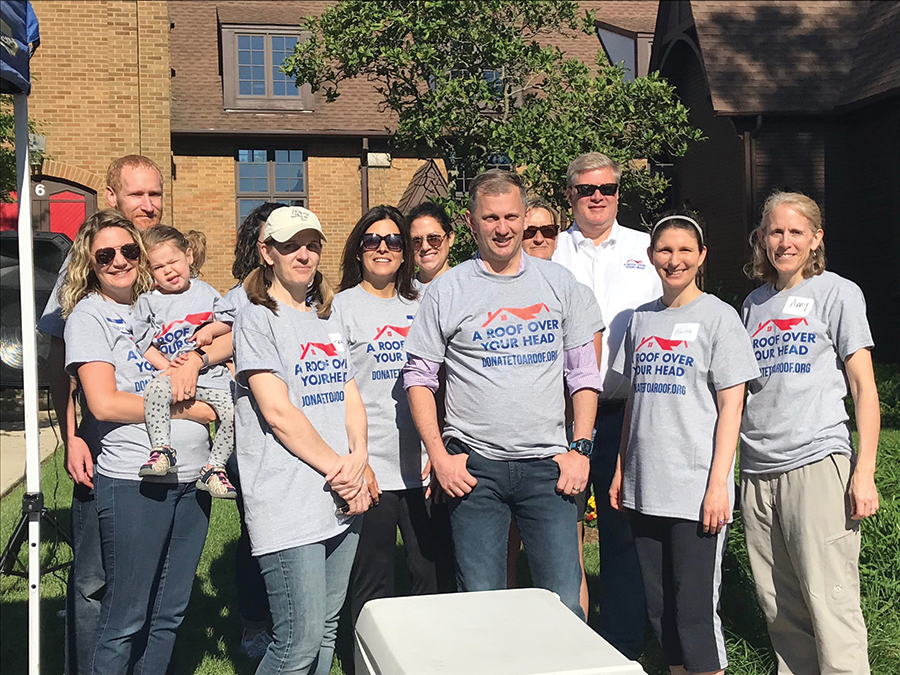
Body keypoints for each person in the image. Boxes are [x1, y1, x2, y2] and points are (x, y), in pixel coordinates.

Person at [403, 169, 603, 618]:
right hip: (474, 469)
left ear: (523, 216)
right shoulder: (447, 290)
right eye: (490, 218)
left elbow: (583, 374)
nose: (503, 228)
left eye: (511, 216)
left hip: (547, 467)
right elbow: (419, 377)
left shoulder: (559, 284)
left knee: (565, 602)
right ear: (471, 223)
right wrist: (438, 455)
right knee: (482, 602)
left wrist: (581, 449)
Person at [60, 210, 217, 673]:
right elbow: (105, 403)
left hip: (193, 475)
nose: (119, 261)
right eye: (104, 254)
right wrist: (194, 409)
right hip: (134, 477)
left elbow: (224, 335)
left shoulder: (158, 303)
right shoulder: (91, 315)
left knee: (169, 614)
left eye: (129, 250)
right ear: (90, 264)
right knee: (125, 615)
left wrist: (200, 357)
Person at [609, 213, 758, 675]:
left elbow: (732, 407)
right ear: (651, 256)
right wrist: (620, 469)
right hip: (644, 487)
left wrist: (719, 485)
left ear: (702, 256)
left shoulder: (720, 318)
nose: (674, 261)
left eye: (685, 251)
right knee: (661, 613)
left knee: (693, 615)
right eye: (665, 251)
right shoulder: (640, 321)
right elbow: (635, 399)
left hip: (695, 491)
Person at [739, 192, 880, 675]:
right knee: (780, 608)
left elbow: (863, 387)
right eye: (775, 232)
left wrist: (864, 472)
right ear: (761, 238)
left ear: (816, 238)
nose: (784, 242)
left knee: (830, 601)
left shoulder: (839, 292)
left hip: (816, 461)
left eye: (796, 232)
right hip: (758, 470)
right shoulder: (753, 304)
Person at [38, 154, 167, 675]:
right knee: (94, 577)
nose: (148, 204)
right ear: (111, 196)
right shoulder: (90, 262)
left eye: (154, 193)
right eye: (136, 194)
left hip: (161, 446)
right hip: (102, 440)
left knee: (151, 574)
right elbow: (57, 362)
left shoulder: (168, 261)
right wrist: (70, 435)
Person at [233, 205, 371, 674]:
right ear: (267, 252)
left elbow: (350, 394)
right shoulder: (256, 318)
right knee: (298, 638)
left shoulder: (326, 318)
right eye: (291, 245)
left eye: (311, 244)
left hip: (337, 491)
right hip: (288, 497)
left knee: (327, 628)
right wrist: (342, 469)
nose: (304, 254)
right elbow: (277, 413)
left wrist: (360, 457)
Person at [552, 152, 661, 656]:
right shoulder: (548, 252)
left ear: (619, 193)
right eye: (587, 188)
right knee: (561, 526)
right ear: (569, 194)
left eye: (609, 188)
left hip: (626, 409)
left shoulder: (648, 249)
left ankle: (623, 642)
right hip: (559, 413)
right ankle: (566, 635)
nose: (599, 196)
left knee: (620, 525)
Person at [333, 205, 449, 624]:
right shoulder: (339, 308)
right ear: (358, 250)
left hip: (423, 466)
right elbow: (334, 394)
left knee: (431, 575)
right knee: (372, 582)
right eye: (372, 240)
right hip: (371, 467)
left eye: (393, 241)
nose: (382, 248)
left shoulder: (426, 303)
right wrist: (356, 460)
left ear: (404, 252)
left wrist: (439, 455)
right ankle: (367, 663)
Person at [132, 225, 237, 498]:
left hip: (212, 377)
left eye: (173, 261)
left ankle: (214, 468)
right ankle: (162, 450)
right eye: (159, 267)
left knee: (232, 414)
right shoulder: (148, 302)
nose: (169, 270)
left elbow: (229, 322)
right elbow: (144, 343)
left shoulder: (205, 291)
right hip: (175, 377)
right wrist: (165, 368)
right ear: (149, 271)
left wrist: (210, 330)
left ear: (188, 256)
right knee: (153, 393)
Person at [224, 201, 285, 659]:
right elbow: (216, 341)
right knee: (256, 534)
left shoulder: (310, 296)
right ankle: (254, 626)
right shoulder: (238, 299)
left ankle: (293, 619)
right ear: (260, 246)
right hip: (253, 438)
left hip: (299, 437)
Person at [408, 201, 455, 285]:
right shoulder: (401, 291)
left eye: (433, 239)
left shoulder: (468, 287)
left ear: (450, 238)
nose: (425, 247)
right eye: (416, 241)